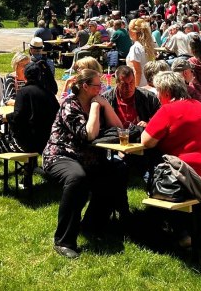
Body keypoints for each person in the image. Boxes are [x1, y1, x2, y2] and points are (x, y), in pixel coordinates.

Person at [142, 71, 201, 246]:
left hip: (199, 180)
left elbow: (146, 142)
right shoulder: (198, 105)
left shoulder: (167, 110)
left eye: (157, 91)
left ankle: (181, 232)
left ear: (165, 92)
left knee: (158, 178)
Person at [42, 68, 128, 259]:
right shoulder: (70, 105)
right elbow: (88, 134)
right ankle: (64, 240)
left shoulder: (98, 101)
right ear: (85, 87)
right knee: (77, 178)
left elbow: (119, 128)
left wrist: (105, 104)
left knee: (116, 170)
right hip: (62, 156)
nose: (102, 89)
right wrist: (97, 108)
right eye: (98, 86)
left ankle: (92, 225)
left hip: (89, 158)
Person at [0, 61, 60, 202]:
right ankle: (26, 180)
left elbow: (18, 117)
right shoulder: (49, 94)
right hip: (45, 143)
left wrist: (1, 117)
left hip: (28, 144)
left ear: (25, 77)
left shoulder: (24, 92)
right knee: (26, 139)